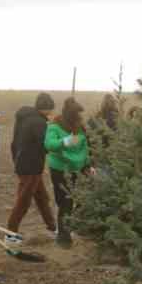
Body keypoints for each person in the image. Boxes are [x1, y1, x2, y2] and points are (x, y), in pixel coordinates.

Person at [7, 96, 56, 236]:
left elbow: (14, 143)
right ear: (45, 107)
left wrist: (16, 160)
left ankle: (52, 226)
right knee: (23, 201)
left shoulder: (24, 119)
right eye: (50, 109)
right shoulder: (39, 122)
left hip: (23, 164)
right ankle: (11, 232)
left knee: (42, 198)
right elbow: (45, 145)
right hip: (31, 167)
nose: (51, 112)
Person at [45, 97, 91, 247]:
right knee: (64, 202)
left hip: (78, 168)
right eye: (77, 114)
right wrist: (65, 142)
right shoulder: (55, 126)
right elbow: (49, 144)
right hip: (60, 170)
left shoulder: (80, 128)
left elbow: (85, 148)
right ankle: (63, 238)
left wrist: (88, 165)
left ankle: (73, 226)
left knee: (84, 199)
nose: (80, 117)